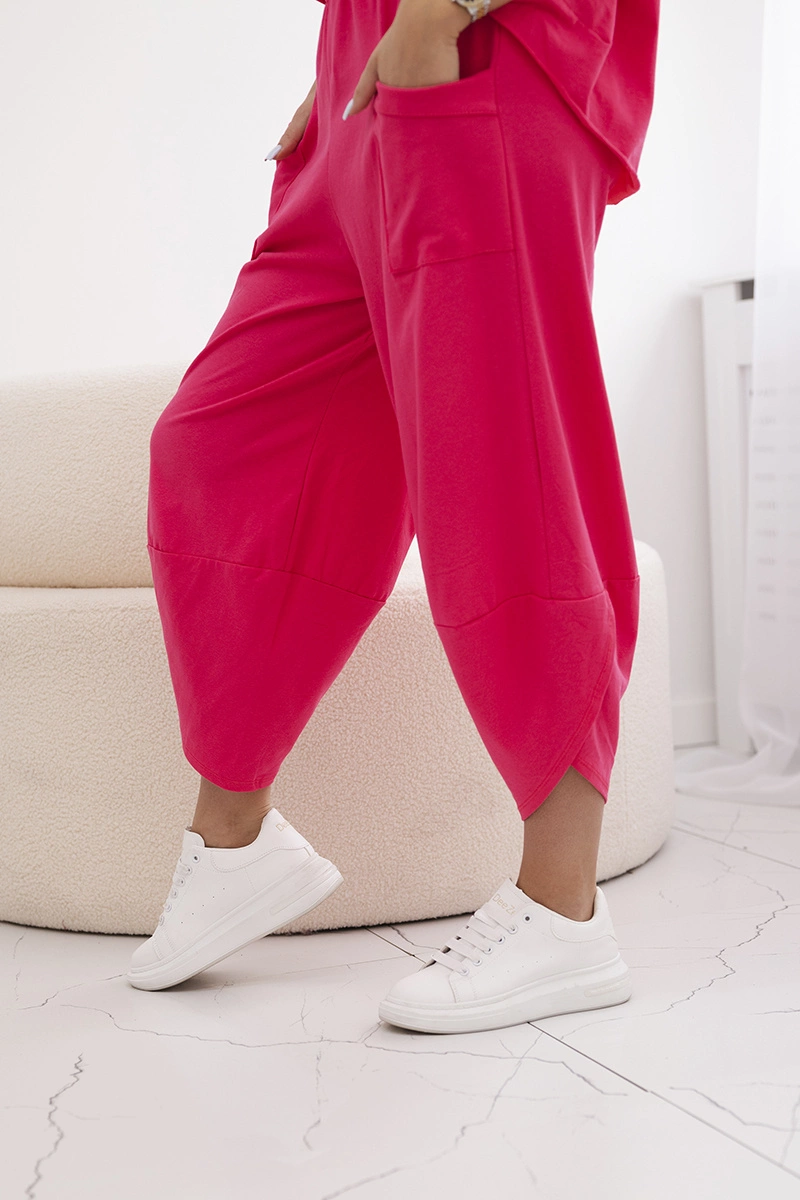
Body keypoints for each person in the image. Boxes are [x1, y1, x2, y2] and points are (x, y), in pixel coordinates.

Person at [126, 0, 660, 1036]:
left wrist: (443, 12)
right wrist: (339, 67)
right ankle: (233, 841)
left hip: (480, 47)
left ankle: (563, 911)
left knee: (505, 478)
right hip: (366, 77)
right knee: (220, 444)